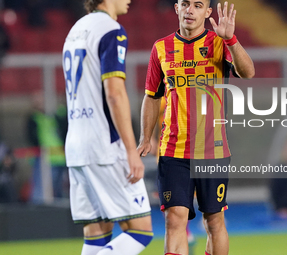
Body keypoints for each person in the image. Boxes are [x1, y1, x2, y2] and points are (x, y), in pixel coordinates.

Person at [137, 1, 255, 255]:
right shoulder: (161, 48)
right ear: (176, 8)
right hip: (173, 150)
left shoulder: (219, 43)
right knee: (174, 218)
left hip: (212, 149)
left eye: (198, 5)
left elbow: (248, 73)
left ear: (207, 13)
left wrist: (232, 40)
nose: (190, 10)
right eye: (185, 4)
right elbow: (152, 96)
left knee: (213, 220)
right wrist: (145, 137)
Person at [62, 0, 153, 255]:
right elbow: (114, 93)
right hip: (104, 145)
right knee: (140, 231)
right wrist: (131, 149)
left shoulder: (75, 31)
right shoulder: (111, 29)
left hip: (77, 146)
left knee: (96, 235)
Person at [26, 91, 68, 202]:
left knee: (58, 189)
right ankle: (37, 212)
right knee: (41, 189)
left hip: (60, 157)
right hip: (43, 158)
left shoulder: (56, 115)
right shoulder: (34, 118)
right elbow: (32, 137)